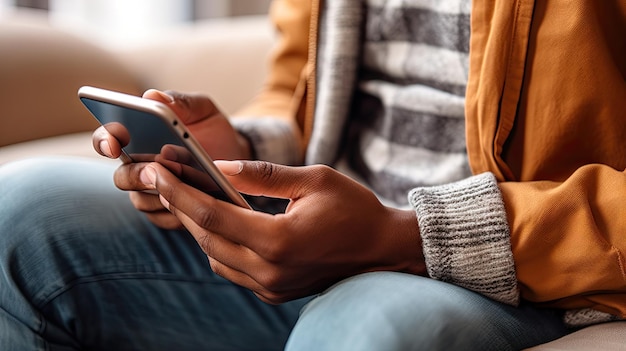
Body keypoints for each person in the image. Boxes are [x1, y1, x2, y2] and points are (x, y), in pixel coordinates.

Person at [1, 0, 624, 350]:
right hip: (321, 228)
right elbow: (297, 84)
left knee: (365, 331)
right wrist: (242, 149)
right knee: (21, 217)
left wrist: (411, 237)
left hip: (530, 272)